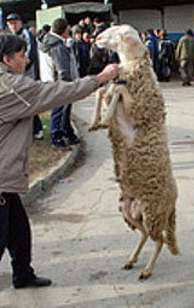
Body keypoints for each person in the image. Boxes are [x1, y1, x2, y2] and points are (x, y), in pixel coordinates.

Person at [0, 33, 118, 289]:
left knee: (19, 231)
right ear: (7, 60)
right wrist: (100, 79)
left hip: (6, 181)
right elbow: (58, 92)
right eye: (21, 55)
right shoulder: (11, 88)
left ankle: (23, 274)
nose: (27, 59)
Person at [40, 18, 81, 148]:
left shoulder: (48, 41)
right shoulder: (57, 45)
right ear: (64, 31)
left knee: (63, 110)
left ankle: (67, 132)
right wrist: (69, 86)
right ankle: (56, 137)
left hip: (50, 81)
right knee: (60, 110)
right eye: (68, 30)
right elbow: (62, 69)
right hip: (60, 84)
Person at [6, 13, 44, 140]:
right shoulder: (9, 36)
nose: (13, 25)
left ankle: (37, 129)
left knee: (29, 101)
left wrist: (20, 68)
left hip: (27, 74)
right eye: (10, 23)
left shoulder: (26, 34)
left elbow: (30, 56)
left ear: (20, 22)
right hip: (15, 75)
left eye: (14, 22)